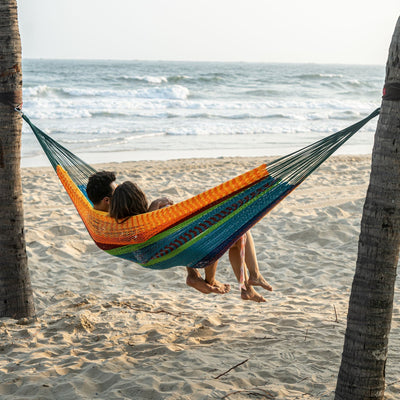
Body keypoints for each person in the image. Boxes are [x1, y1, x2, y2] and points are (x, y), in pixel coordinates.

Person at [87, 173, 230, 295]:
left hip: (147, 251)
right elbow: (138, 232)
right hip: (152, 252)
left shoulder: (96, 215)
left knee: (175, 225)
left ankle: (193, 275)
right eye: (115, 191)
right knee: (209, 238)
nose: (118, 194)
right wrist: (154, 207)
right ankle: (207, 279)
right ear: (107, 200)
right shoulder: (109, 222)